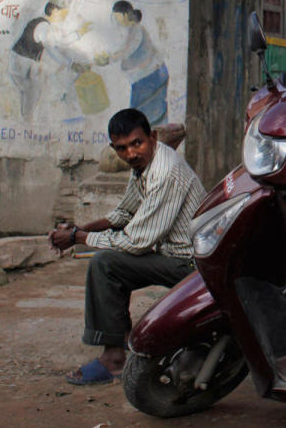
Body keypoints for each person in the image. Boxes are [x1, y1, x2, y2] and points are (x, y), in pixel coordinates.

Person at [48, 108, 205, 385]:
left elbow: (136, 242)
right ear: (114, 148)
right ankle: (120, 345)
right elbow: (123, 214)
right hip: (172, 256)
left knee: (105, 264)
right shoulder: (143, 166)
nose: (131, 154)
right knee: (108, 260)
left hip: (194, 266)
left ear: (152, 138)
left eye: (137, 143)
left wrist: (77, 238)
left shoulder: (166, 171)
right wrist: (79, 229)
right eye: (122, 148)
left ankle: (114, 359)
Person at [95, 0, 169, 126]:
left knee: (147, 113)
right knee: (142, 113)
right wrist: (109, 56)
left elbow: (128, 50)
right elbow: (124, 48)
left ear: (125, 15)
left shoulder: (137, 30)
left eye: (117, 16)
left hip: (151, 76)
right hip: (145, 77)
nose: (116, 20)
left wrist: (108, 59)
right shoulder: (132, 30)